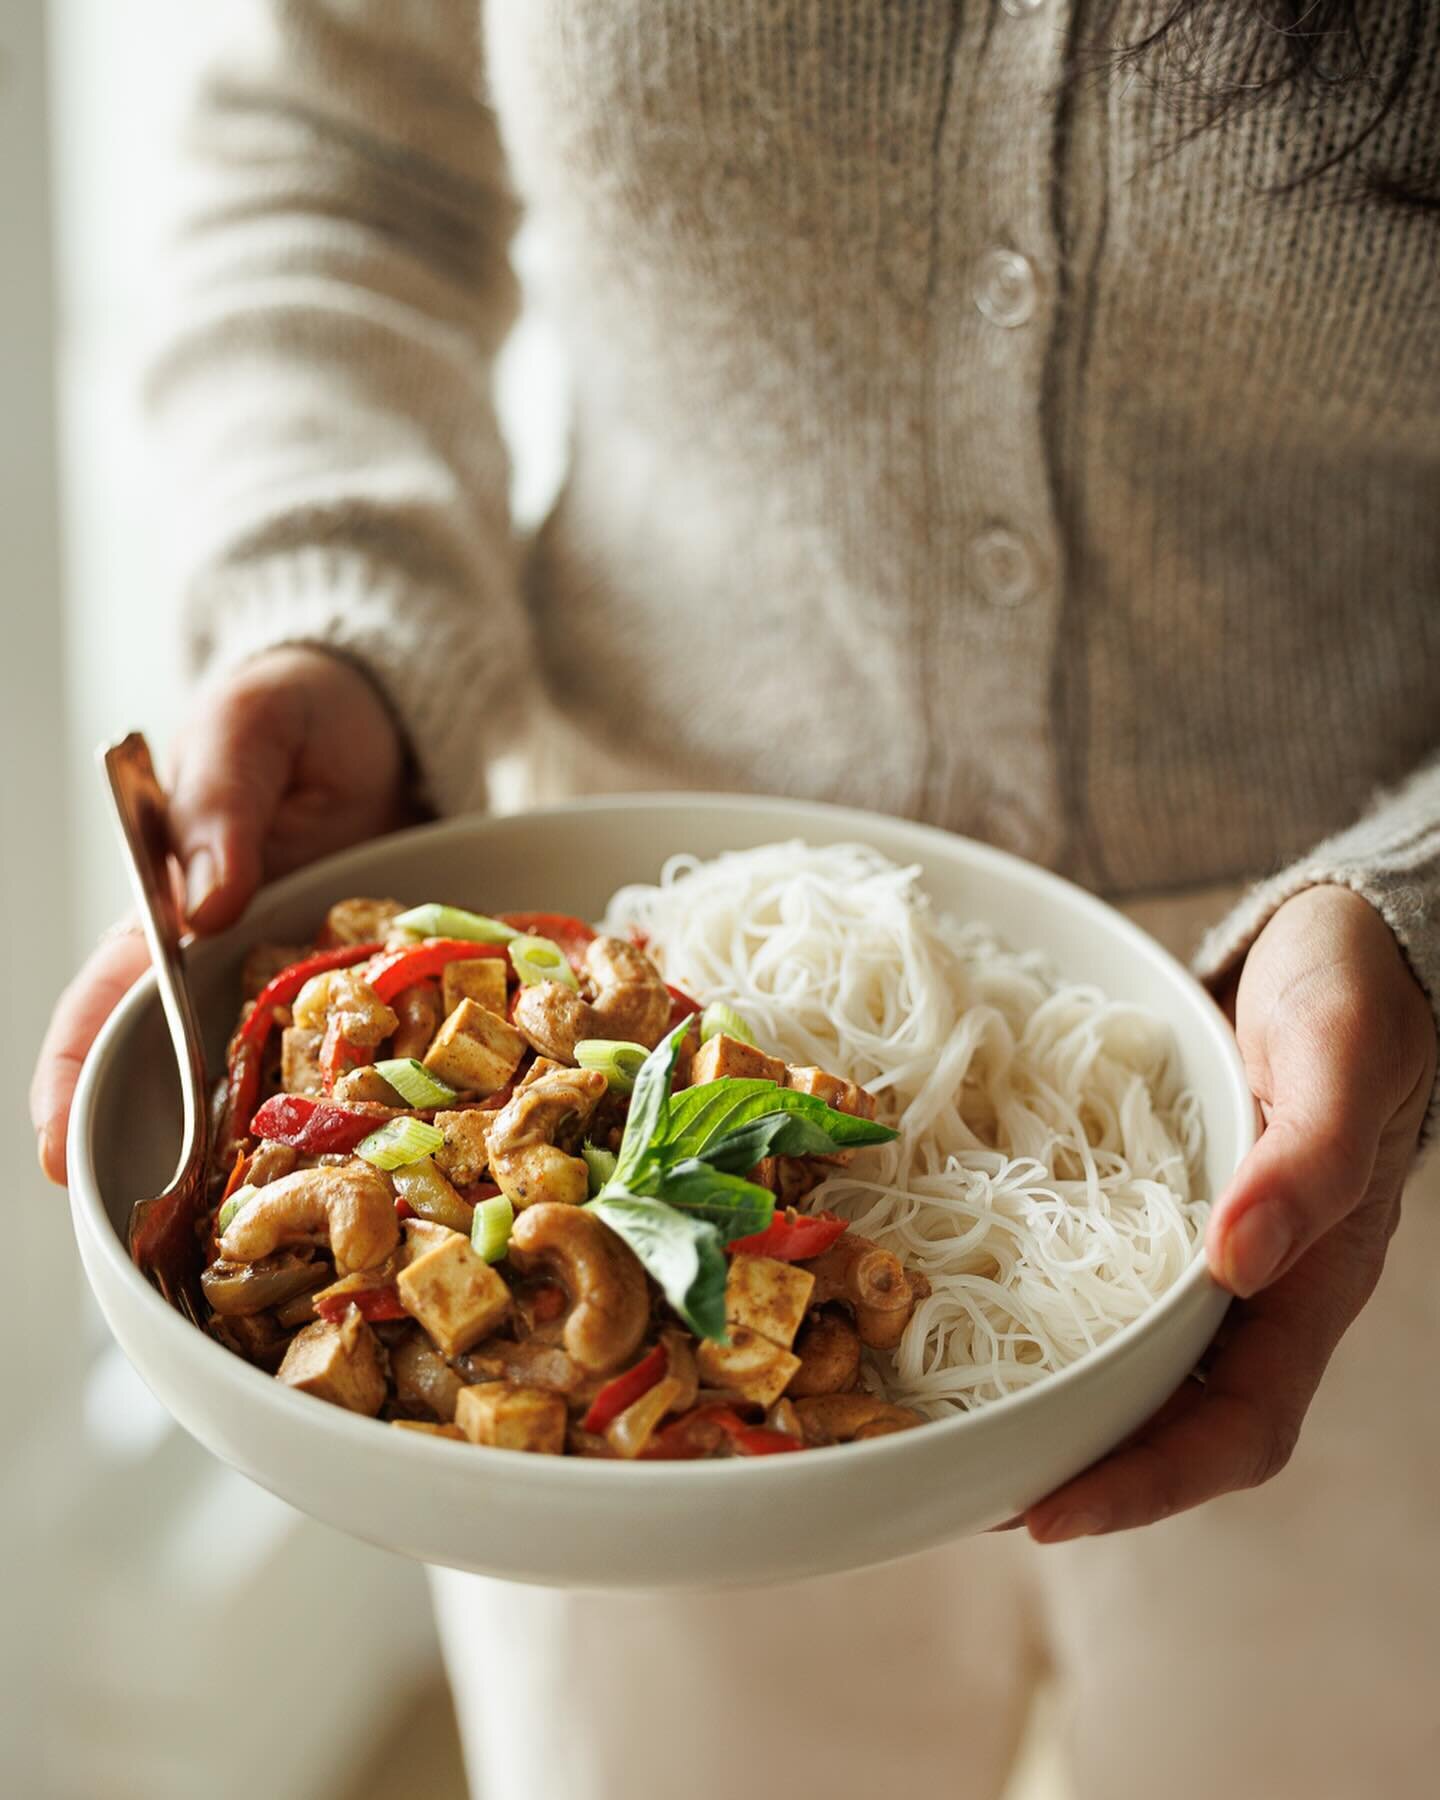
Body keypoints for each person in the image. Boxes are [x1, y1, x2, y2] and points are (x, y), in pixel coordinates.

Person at [31, 4, 1440, 1796]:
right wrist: (341, 603)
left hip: (1373, 1157)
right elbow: (341, 152)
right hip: (634, 924)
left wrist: (1422, 909)